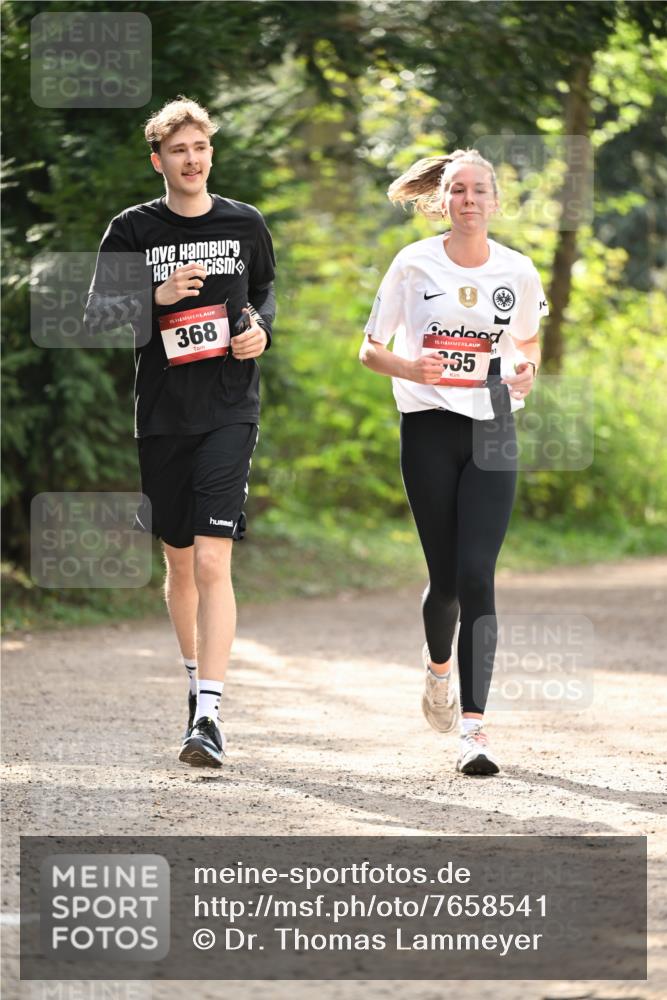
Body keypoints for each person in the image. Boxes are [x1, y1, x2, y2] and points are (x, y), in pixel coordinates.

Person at [84, 97, 276, 768]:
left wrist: (259, 333)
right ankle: (195, 685)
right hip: (163, 415)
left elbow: (264, 294)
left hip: (230, 407)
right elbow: (98, 315)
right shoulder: (133, 229)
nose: (191, 160)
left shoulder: (243, 223)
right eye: (178, 150)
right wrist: (154, 299)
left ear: (210, 154)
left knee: (212, 557)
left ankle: (210, 715)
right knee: (177, 560)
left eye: (200, 148)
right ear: (158, 160)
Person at [359, 149, 548, 775]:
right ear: (443, 201)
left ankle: (475, 729)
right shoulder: (413, 264)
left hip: (493, 424)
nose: (469, 200)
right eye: (458, 190)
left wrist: (524, 372)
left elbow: (526, 346)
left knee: (477, 577)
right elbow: (369, 351)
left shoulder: (518, 270)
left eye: (480, 191)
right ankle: (438, 667)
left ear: (495, 201)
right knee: (444, 584)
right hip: (429, 428)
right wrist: (411, 367)